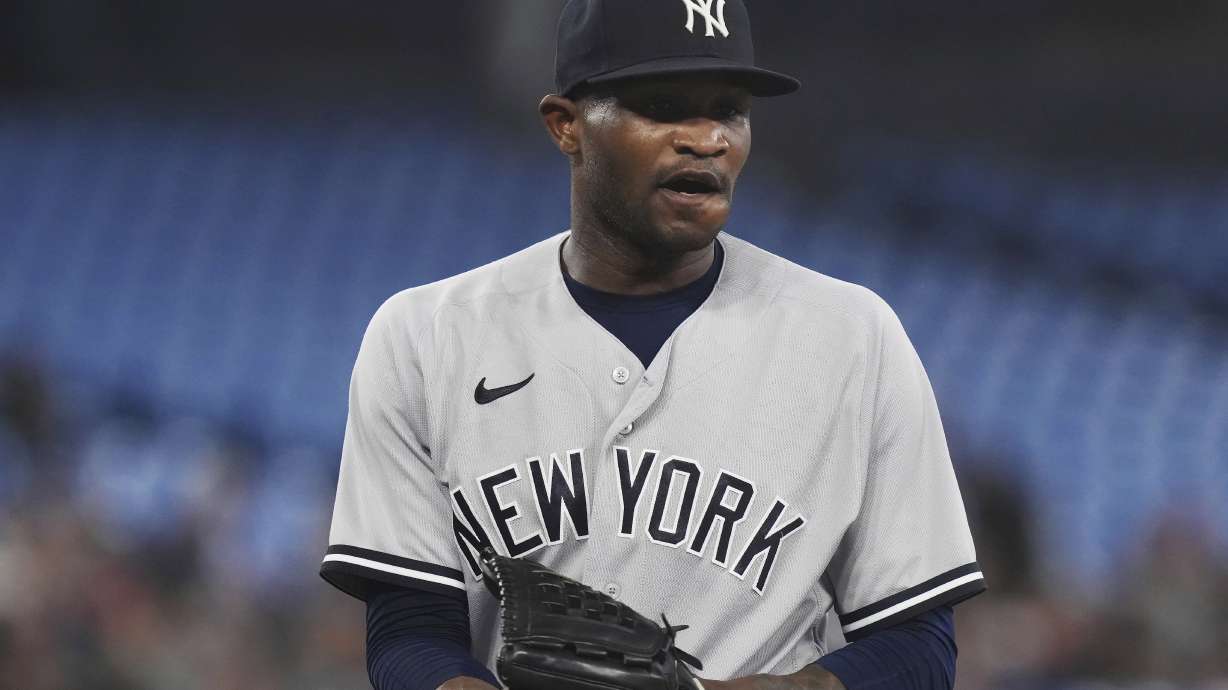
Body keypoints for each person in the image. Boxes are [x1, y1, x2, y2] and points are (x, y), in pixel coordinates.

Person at [320, 1, 986, 688]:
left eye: (728, 110)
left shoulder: (854, 338)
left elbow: (917, 648)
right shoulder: (425, 338)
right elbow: (409, 635)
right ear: (566, 125)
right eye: (665, 106)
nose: (706, 139)